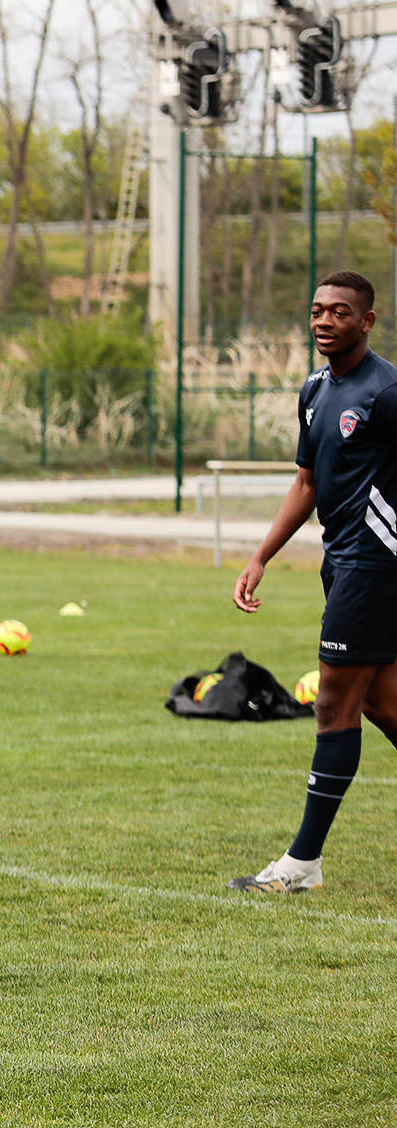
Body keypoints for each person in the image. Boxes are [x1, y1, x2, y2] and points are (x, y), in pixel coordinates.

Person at [230, 270, 397, 894]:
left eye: (341, 312)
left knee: (333, 704)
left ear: (367, 322)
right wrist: (261, 555)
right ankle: (303, 865)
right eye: (318, 310)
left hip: (376, 565)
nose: (326, 321)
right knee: (381, 702)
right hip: (343, 562)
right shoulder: (315, 389)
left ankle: (302, 865)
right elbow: (307, 483)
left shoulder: (386, 392)